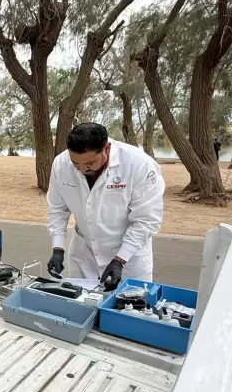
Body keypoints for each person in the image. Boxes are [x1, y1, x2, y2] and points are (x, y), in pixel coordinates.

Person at [46, 122, 164, 290]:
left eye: (89, 164)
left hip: (128, 256)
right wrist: (58, 249)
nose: (81, 170)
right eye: (75, 164)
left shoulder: (138, 164)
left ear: (106, 149)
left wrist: (120, 260)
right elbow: (57, 209)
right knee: (82, 302)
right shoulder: (61, 163)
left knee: (128, 303)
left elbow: (146, 220)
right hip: (85, 252)